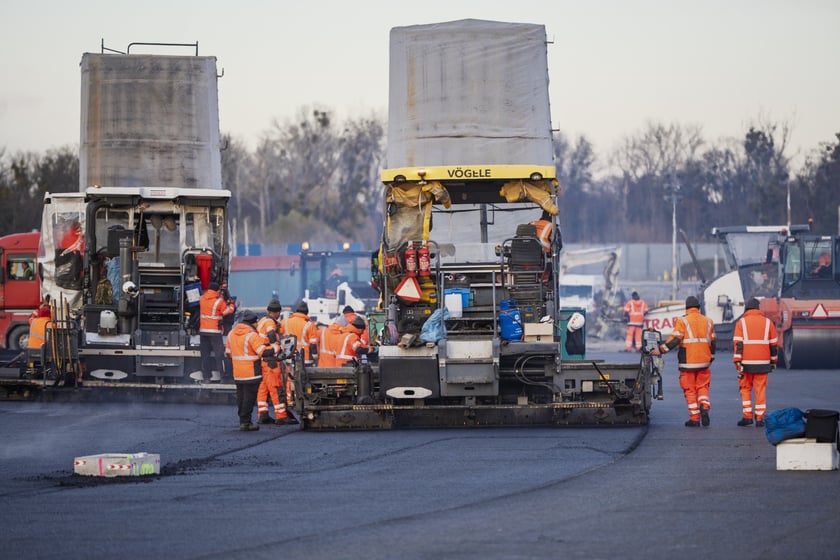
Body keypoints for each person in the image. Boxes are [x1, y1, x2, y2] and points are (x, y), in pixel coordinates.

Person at [651, 295, 716, 427]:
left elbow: (675, 339)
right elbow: (713, 341)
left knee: (690, 390)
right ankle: (704, 405)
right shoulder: (708, 321)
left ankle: (695, 418)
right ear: (698, 308)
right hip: (704, 361)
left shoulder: (683, 321)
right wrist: (711, 356)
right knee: (703, 387)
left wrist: (661, 350)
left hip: (688, 362)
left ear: (686, 308)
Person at [225, 309, 275, 431]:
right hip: (252, 372)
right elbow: (263, 352)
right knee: (249, 398)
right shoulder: (252, 335)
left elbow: (228, 353)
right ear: (252, 323)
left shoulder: (231, 334)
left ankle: (243, 420)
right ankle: (246, 423)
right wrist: (276, 348)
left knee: (241, 397)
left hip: (238, 373)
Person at [732, 297, 778, 427]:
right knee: (760, 390)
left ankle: (747, 416)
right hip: (763, 363)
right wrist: (773, 361)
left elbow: (738, 343)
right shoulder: (768, 323)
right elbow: (773, 345)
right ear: (758, 309)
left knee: (745, 388)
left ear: (746, 308)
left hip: (746, 362)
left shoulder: (741, 323)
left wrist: (737, 361)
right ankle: (760, 418)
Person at [256, 300, 296, 425]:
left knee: (263, 388)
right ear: (277, 312)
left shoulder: (262, 320)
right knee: (276, 387)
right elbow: (271, 334)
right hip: (271, 361)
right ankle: (281, 415)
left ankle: (263, 414)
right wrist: (276, 347)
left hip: (263, 359)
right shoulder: (269, 322)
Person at [199, 281, 235, 383]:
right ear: (217, 290)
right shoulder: (219, 301)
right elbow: (226, 312)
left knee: (205, 355)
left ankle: (206, 377)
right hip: (214, 331)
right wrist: (231, 304)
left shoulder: (202, 299)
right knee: (219, 355)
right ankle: (222, 377)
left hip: (203, 332)